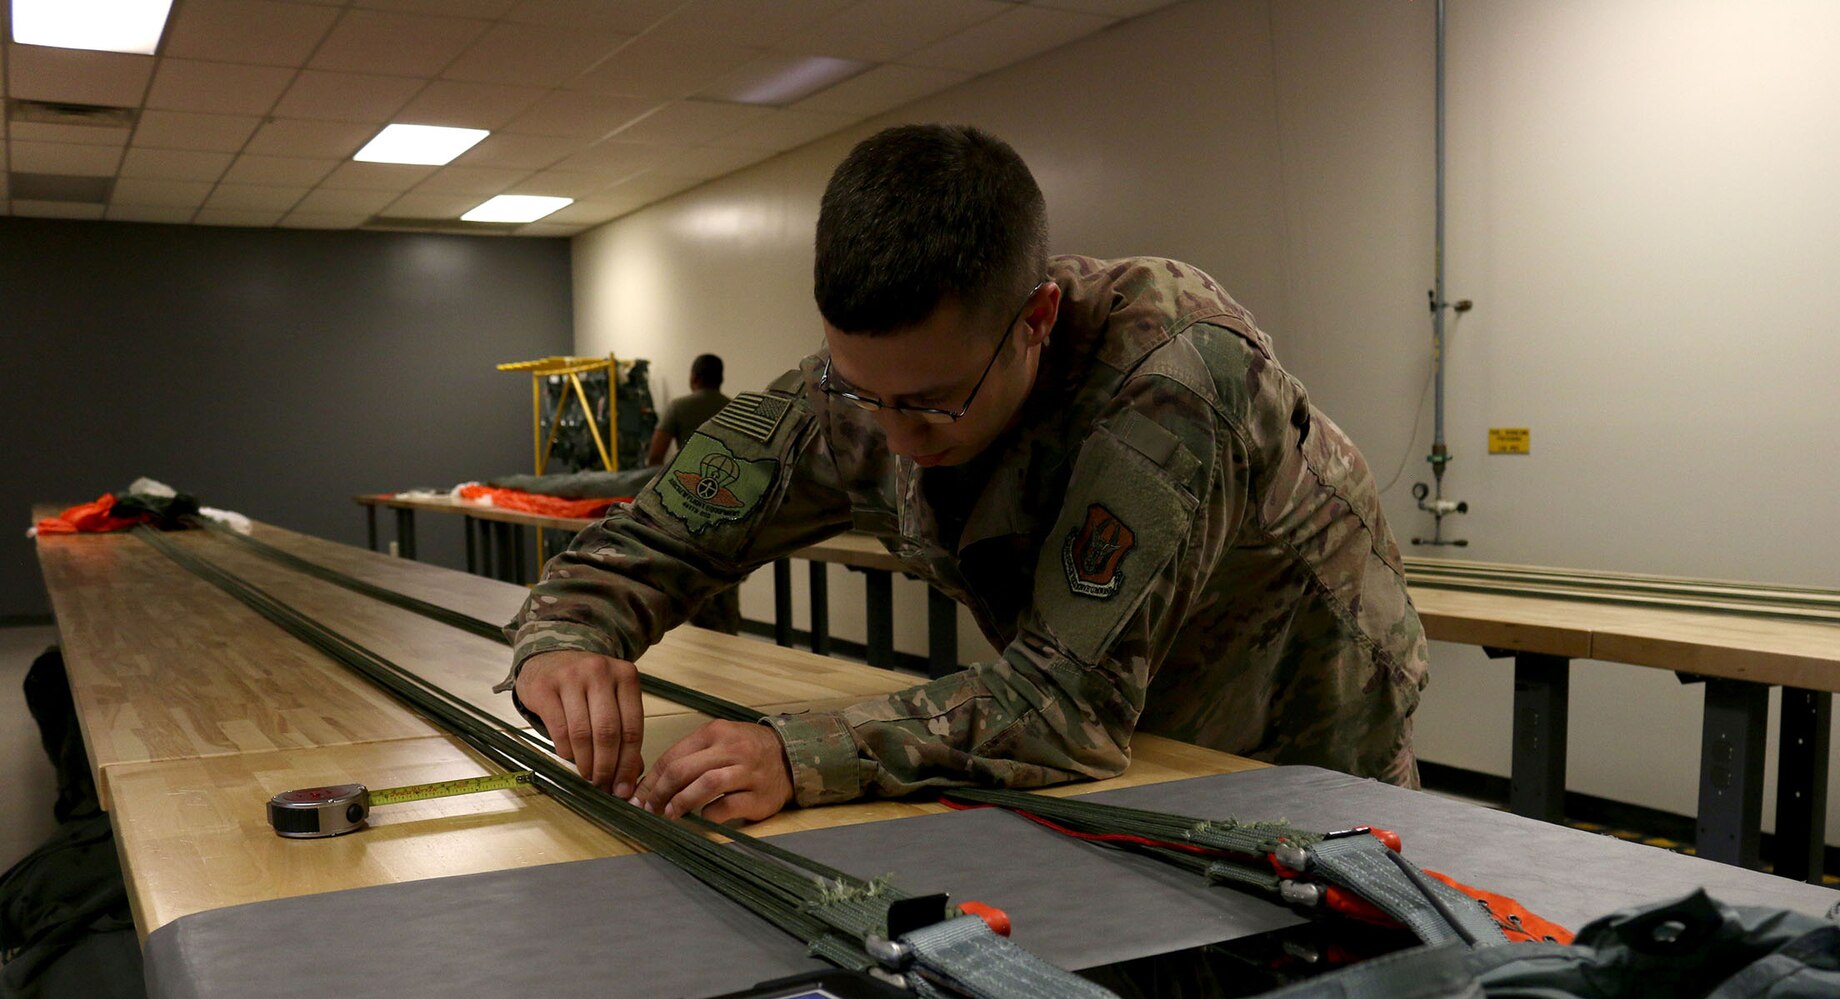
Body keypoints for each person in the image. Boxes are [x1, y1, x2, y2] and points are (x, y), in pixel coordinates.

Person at [504, 124, 1427, 824]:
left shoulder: (1175, 377)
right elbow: (655, 534)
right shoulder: (866, 388)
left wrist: (800, 751)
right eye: (865, 394)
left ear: (1037, 319)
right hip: (1126, 733)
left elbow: (1066, 704)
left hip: (1302, 742)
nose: (896, 435)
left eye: (934, 403)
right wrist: (569, 635)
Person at [645, 354, 731, 466]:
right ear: (721, 380)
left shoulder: (677, 407)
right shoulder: (734, 408)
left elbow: (655, 456)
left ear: (694, 378)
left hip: (686, 477)